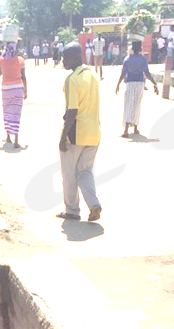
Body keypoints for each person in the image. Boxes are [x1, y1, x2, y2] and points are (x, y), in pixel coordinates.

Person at [57, 43, 102, 222]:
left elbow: (72, 111)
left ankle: (72, 211)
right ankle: (93, 203)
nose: (63, 60)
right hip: (95, 133)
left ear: (75, 57)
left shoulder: (72, 79)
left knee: (69, 174)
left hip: (76, 134)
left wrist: (63, 138)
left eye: (65, 57)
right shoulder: (93, 74)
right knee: (85, 172)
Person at [115, 41, 158, 138]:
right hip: (140, 84)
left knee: (128, 105)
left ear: (132, 49)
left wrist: (118, 84)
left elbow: (123, 73)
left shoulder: (127, 59)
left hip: (129, 83)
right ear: (140, 49)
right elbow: (147, 73)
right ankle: (135, 128)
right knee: (137, 105)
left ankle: (126, 129)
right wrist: (154, 83)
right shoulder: (143, 59)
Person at [0, 43, 27, 149]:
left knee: (7, 112)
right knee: (16, 114)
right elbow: (23, 76)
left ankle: (8, 136)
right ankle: (16, 140)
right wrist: (26, 91)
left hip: (5, 90)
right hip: (18, 89)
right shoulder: (20, 60)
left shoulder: (1, 60)